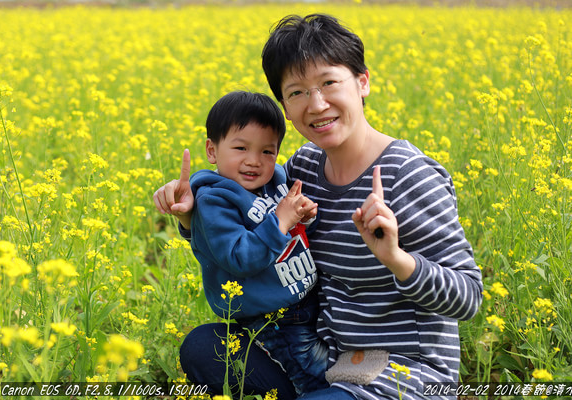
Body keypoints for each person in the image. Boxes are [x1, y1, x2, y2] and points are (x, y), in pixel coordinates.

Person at [154, 14, 483, 400]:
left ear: (363, 82)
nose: (317, 104)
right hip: (322, 357)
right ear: (286, 110)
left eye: (329, 83)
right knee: (203, 347)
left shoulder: (409, 176)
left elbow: (469, 297)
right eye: (297, 93)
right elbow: (250, 225)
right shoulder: (303, 169)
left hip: (402, 369)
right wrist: (194, 212)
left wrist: (396, 259)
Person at [165, 90, 328, 396]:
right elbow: (241, 257)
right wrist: (280, 220)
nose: (254, 161)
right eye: (241, 148)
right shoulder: (215, 200)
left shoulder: (276, 179)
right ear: (212, 151)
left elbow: (296, 234)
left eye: (268, 151)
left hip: (308, 301)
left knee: (326, 358)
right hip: (274, 319)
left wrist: (303, 217)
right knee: (313, 373)